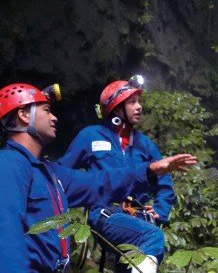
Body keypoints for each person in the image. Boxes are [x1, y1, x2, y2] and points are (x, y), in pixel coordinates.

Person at [0, 83, 196, 272]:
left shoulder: (51, 174)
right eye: (46, 110)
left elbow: (101, 182)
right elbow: (3, 240)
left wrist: (150, 170)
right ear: (24, 115)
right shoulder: (6, 164)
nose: (54, 117)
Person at [58, 76, 188, 271]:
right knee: (152, 237)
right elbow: (62, 175)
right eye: (132, 102)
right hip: (105, 215)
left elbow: (165, 185)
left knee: (129, 266)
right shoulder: (90, 136)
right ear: (116, 108)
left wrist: (159, 211)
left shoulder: (146, 145)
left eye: (139, 102)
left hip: (138, 216)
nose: (139, 107)